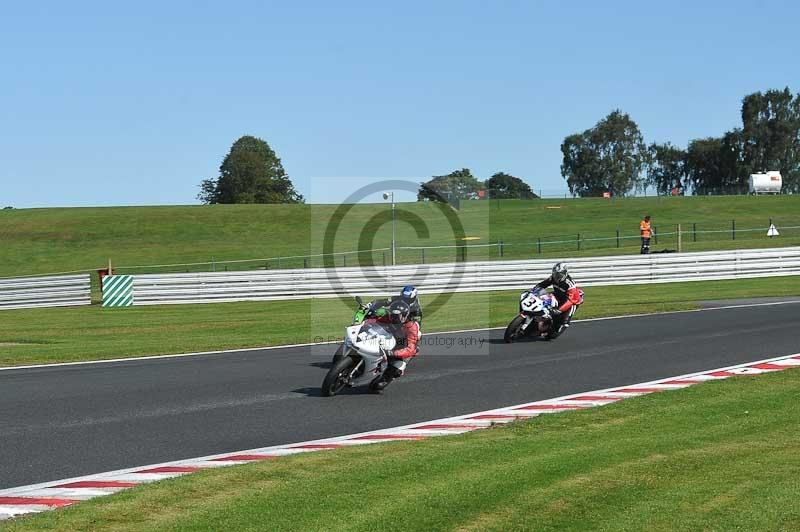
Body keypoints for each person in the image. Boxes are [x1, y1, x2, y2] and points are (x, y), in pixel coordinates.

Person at [367, 299, 420, 392]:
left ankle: (385, 379)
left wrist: (394, 353)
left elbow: (410, 349)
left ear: (404, 316)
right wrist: (366, 321)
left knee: (397, 368)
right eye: (392, 315)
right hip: (390, 339)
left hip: (403, 346)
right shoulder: (390, 317)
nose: (394, 318)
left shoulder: (411, 327)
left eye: (397, 316)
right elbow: (375, 321)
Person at [531, 262, 584, 339]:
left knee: (563, 321)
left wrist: (559, 310)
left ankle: (557, 329)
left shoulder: (569, 284)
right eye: (555, 274)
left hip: (572, 301)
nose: (556, 276)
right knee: (543, 300)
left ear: (564, 274)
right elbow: (542, 285)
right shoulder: (553, 278)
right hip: (558, 295)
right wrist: (533, 291)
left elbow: (570, 301)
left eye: (558, 275)